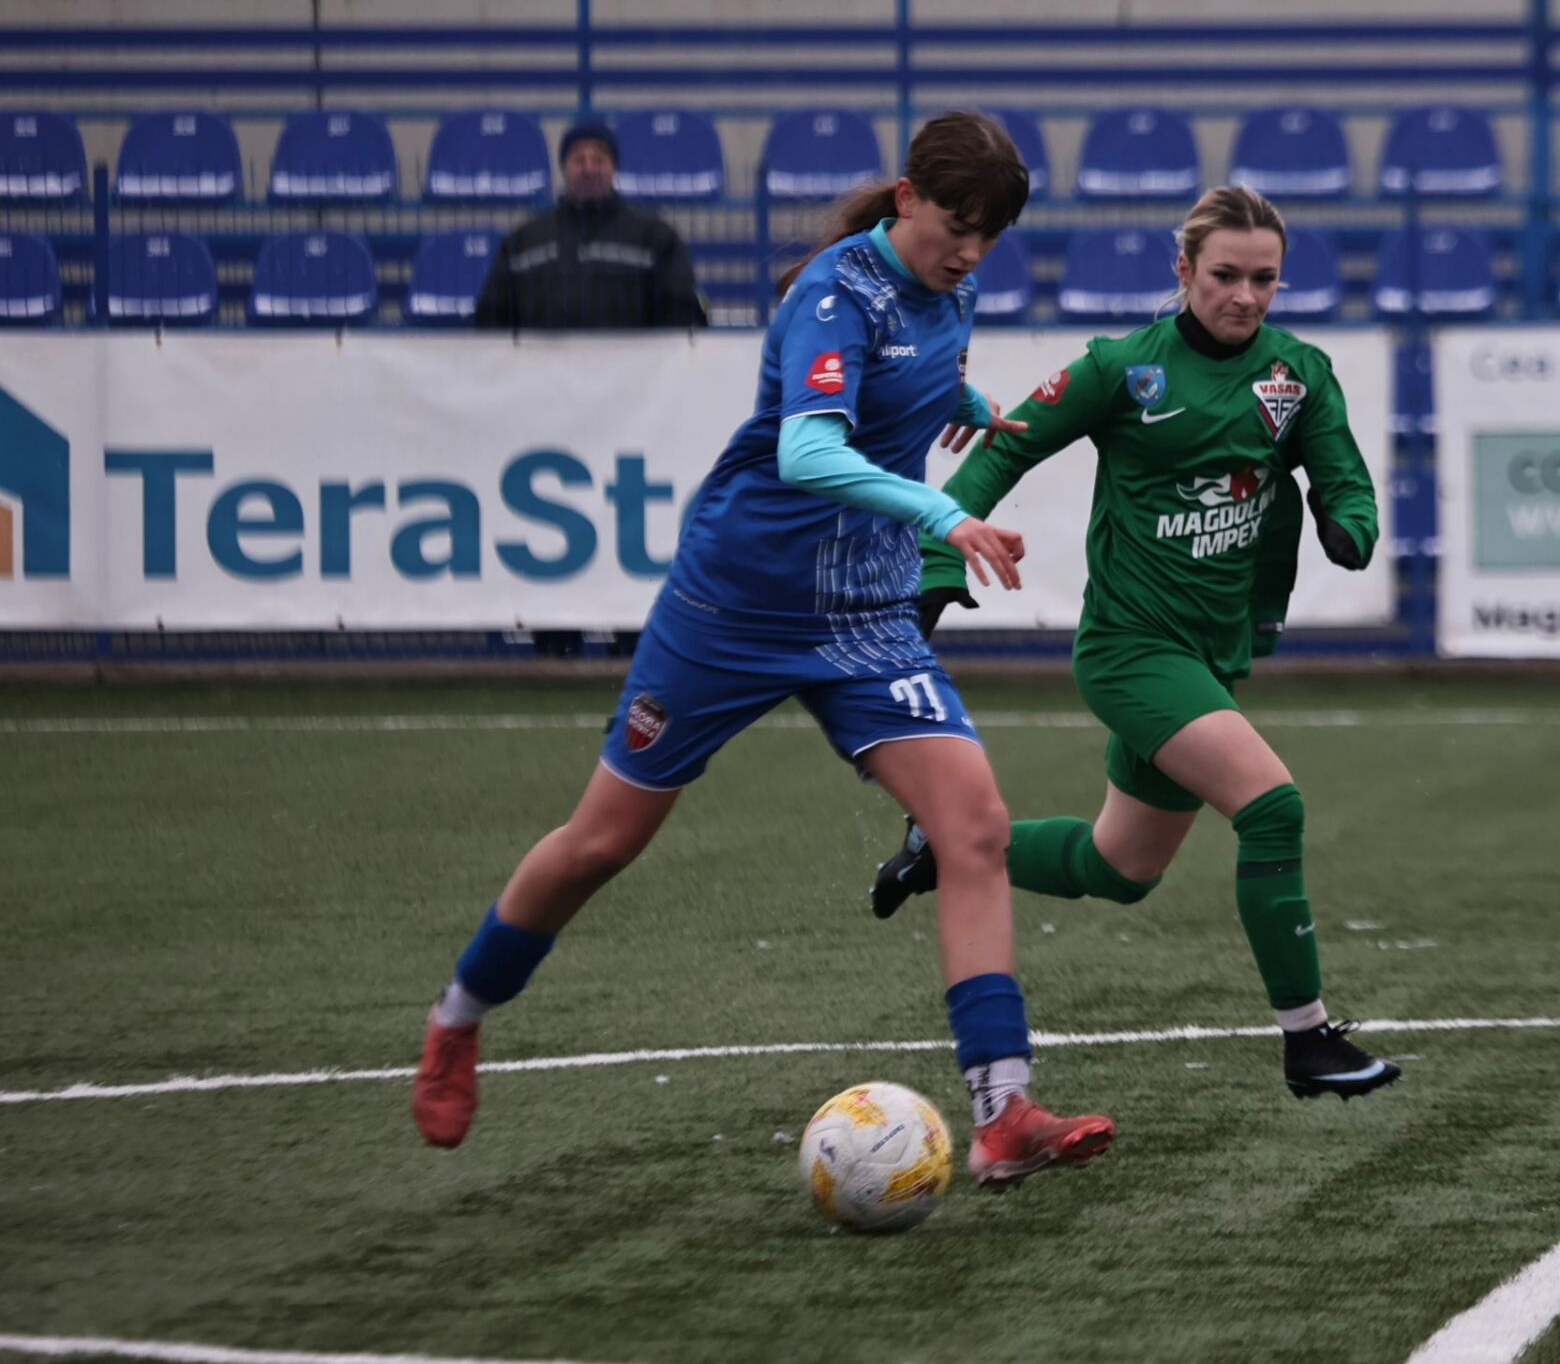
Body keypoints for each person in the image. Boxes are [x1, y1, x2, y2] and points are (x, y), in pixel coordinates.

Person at [414, 111, 1117, 1187]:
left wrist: (968, 402)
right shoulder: (833, 294)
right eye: (957, 226)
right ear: (907, 199)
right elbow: (807, 450)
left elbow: (915, 372)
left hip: (865, 614)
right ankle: (459, 1015)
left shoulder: (953, 289)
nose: (972, 252)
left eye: (991, 235)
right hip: (734, 606)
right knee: (601, 842)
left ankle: (1002, 1110)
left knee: (973, 824)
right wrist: (945, 514)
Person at [868, 184, 1401, 1103]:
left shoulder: (1299, 373)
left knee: (1120, 868)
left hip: (1211, 658)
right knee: (1273, 808)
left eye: (1264, 278)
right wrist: (940, 555)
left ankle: (945, 845)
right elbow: (1005, 448)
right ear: (1184, 269)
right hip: (1130, 651)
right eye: (1225, 275)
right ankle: (1308, 1039)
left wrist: (1347, 521)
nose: (1245, 295)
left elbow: (1345, 476)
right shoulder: (1121, 369)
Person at [474, 115, 709, 332]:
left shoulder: (655, 239)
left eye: (599, 159)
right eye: (578, 159)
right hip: (540, 364)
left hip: (630, 365)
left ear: (613, 167)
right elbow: (491, 319)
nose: (588, 169)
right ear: (564, 168)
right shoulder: (523, 241)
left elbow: (681, 317)